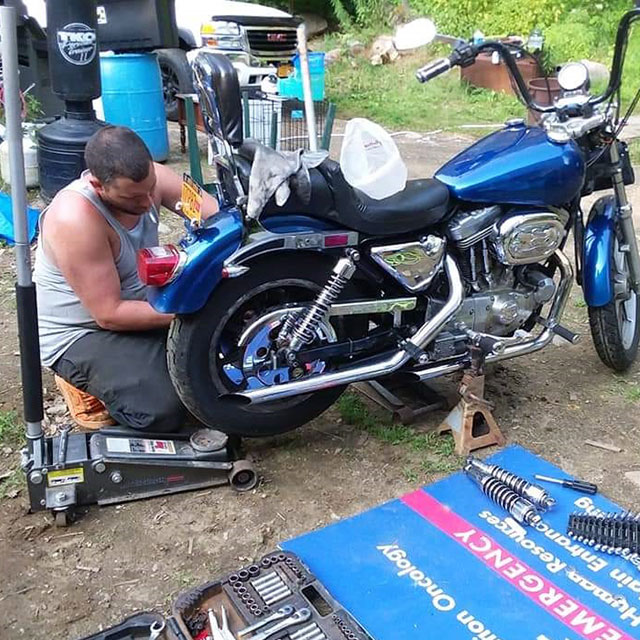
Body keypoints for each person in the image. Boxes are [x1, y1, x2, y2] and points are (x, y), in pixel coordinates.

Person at [34, 125, 220, 432]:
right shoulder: (75, 220)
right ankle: (81, 385)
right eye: (134, 197)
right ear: (98, 185)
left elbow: (217, 219)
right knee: (163, 409)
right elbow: (109, 314)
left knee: (214, 366)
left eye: (150, 189)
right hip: (84, 331)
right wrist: (199, 311)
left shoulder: (150, 179)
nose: (148, 202)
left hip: (142, 304)